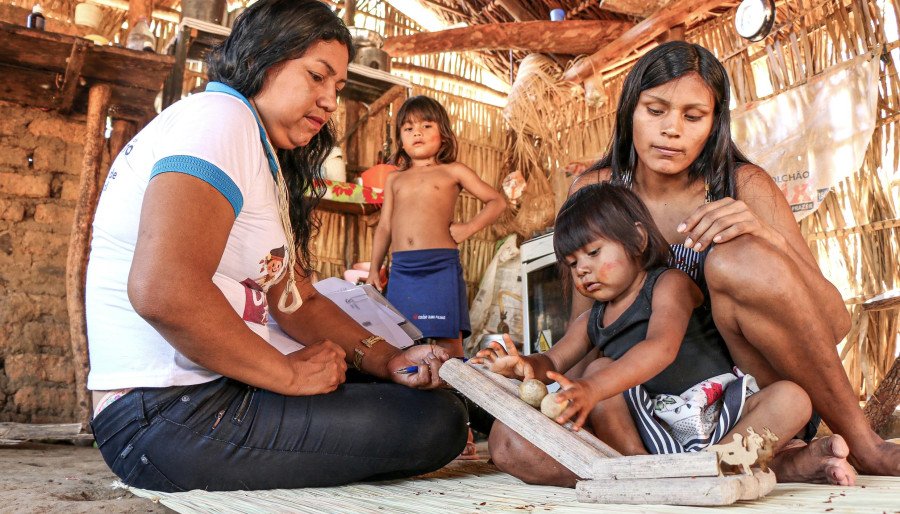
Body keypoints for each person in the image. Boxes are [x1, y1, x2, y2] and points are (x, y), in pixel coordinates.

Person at [85, 0, 467, 493]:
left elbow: (297, 302)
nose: (330, 101)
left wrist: (386, 359)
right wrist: (285, 374)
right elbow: (163, 289)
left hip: (180, 407)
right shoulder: (219, 119)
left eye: (338, 87)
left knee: (411, 397)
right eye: (316, 76)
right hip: (163, 415)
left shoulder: (248, 144)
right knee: (438, 423)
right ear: (263, 58)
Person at [489, 40, 895, 486]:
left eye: (692, 116)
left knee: (736, 258)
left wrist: (767, 237)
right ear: (629, 111)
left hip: (742, 399)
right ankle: (763, 466)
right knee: (512, 442)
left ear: (714, 122)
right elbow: (587, 328)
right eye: (655, 110)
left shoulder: (743, 186)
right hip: (635, 405)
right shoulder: (599, 190)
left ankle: (864, 444)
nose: (671, 130)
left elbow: (833, 324)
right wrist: (548, 375)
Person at [476, 182, 812, 462]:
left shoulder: (668, 284)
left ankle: (717, 463)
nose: (581, 269)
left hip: (721, 411)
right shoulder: (590, 319)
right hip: (652, 427)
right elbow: (553, 361)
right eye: (572, 262)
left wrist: (594, 388)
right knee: (598, 368)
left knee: (793, 398)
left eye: (593, 253)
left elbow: (662, 347)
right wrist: (523, 366)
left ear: (637, 240)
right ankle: (637, 464)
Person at [366, 95, 506, 358]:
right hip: (402, 270)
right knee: (401, 340)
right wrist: (375, 268)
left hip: (440, 267)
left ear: (444, 133)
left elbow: (497, 201)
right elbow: (384, 226)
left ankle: (452, 395)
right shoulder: (395, 179)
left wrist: (469, 228)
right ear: (401, 139)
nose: (416, 132)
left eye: (426, 125)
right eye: (408, 128)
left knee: (448, 343)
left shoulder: (453, 171)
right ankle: (411, 392)